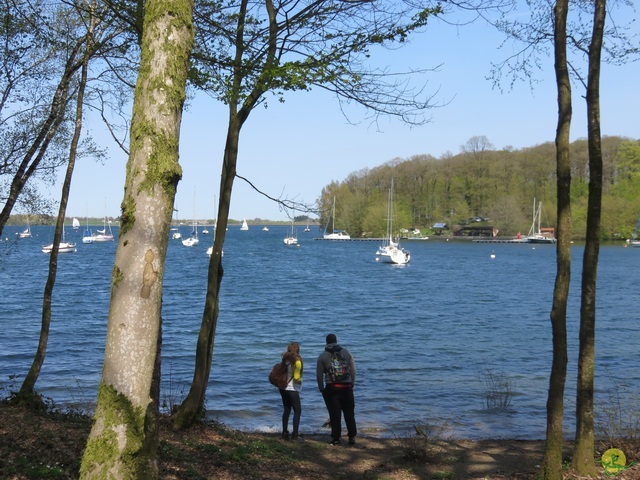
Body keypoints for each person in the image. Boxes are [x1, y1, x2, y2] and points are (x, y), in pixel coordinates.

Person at [316, 333, 357, 445]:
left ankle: (336, 438)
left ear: (326, 342)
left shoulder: (323, 356)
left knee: (335, 414)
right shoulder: (346, 352)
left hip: (332, 388)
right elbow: (353, 370)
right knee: (349, 413)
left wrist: (321, 389)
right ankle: (352, 437)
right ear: (336, 341)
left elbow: (319, 376)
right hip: (347, 387)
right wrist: (352, 384)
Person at [279, 342, 303, 440]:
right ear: (297, 350)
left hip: (283, 388)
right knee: (297, 411)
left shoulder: (284, 359)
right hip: (292, 389)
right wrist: (301, 380)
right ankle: (295, 434)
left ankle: (284, 432)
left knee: (287, 409)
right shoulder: (297, 361)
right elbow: (296, 378)